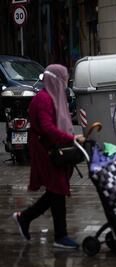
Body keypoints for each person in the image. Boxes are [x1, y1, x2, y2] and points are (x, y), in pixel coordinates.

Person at [12, 64, 84, 249]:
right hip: (45, 151)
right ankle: (60, 236)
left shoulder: (53, 97)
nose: (65, 84)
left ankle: (25, 218)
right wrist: (71, 137)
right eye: (64, 80)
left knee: (55, 190)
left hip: (53, 148)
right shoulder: (43, 100)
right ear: (55, 80)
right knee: (57, 189)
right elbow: (47, 128)